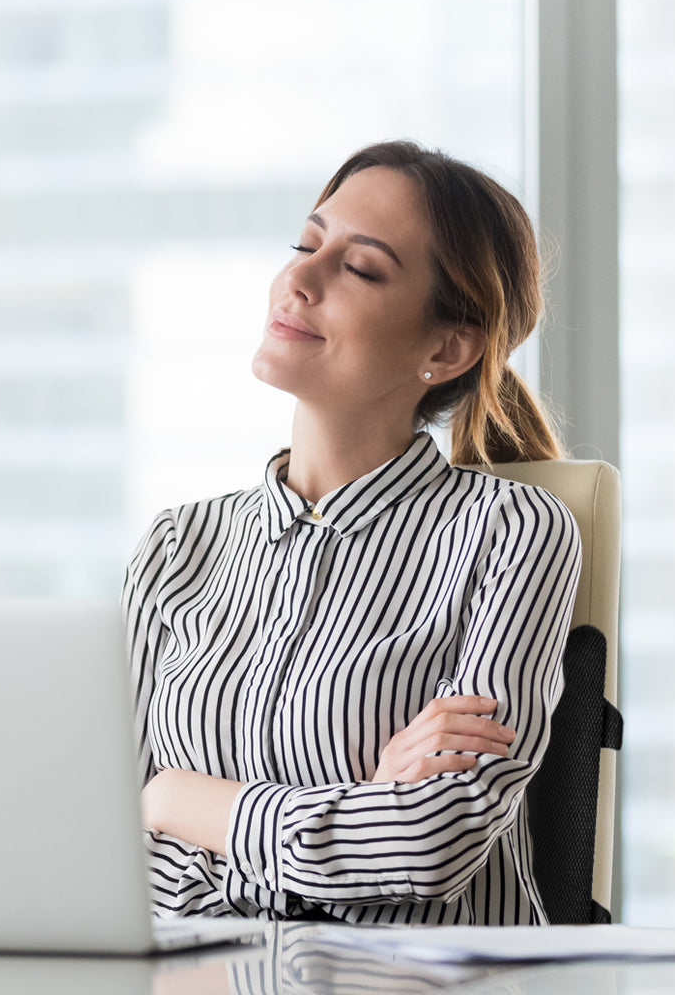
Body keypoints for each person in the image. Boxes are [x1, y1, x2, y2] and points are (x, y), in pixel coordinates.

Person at [122, 140, 582, 926]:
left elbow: (429, 848)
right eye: (306, 245)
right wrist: (362, 806)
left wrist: (176, 799)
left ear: (446, 348)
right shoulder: (179, 546)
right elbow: (105, 836)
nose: (299, 279)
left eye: (360, 269)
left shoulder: (512, 531)